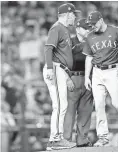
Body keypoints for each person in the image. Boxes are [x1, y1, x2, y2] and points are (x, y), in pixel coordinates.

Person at [42, 3, 80, 150]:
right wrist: (50, 68)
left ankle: (56, 139)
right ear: (67, 14)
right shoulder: (57, 27)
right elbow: (48, 49)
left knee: (62, 105)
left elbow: (66, 52)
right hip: (56, 69)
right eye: (73, 14)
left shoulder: (64, 30)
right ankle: (55, 140)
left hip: (61, 70)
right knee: (59, 105)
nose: (75, 17)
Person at [83, 11, 118, 147]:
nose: (92, 26)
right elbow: (88, 57)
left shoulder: (116, 31)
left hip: (113, 70)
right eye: (90, 25)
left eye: (94, 24)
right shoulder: (90, 36)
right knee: (99, 105)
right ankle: (103, 137)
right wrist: (87, 76)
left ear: (101, 20)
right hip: (97, 72)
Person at [63, 18, 93, 147]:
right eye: (85, 28)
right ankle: (66, 140)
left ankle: (82, 140)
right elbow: (62, 61)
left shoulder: (92, 41)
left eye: (89, 28)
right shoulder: (70, 42)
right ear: (78, 29)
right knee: (70, 111)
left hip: (88, 79)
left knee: (85, 111)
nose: (88, 30)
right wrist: (67, 78)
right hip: (73, 78)